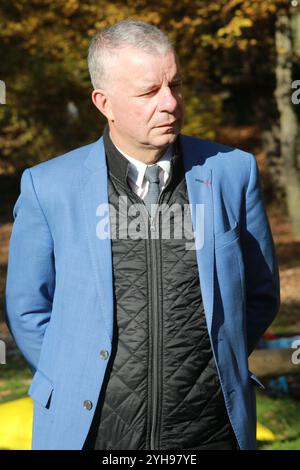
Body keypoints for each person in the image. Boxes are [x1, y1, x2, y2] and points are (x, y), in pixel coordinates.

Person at [5, 19, 280, 451]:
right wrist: (77, 373)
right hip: (93, 434)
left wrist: (215, 363)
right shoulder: (48, 186)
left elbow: (260, 293)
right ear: (104, 102)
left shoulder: (232, 171)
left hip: (210, 431)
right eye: (149, 92)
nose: (170, 102)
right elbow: (27, 310)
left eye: (175, 85)